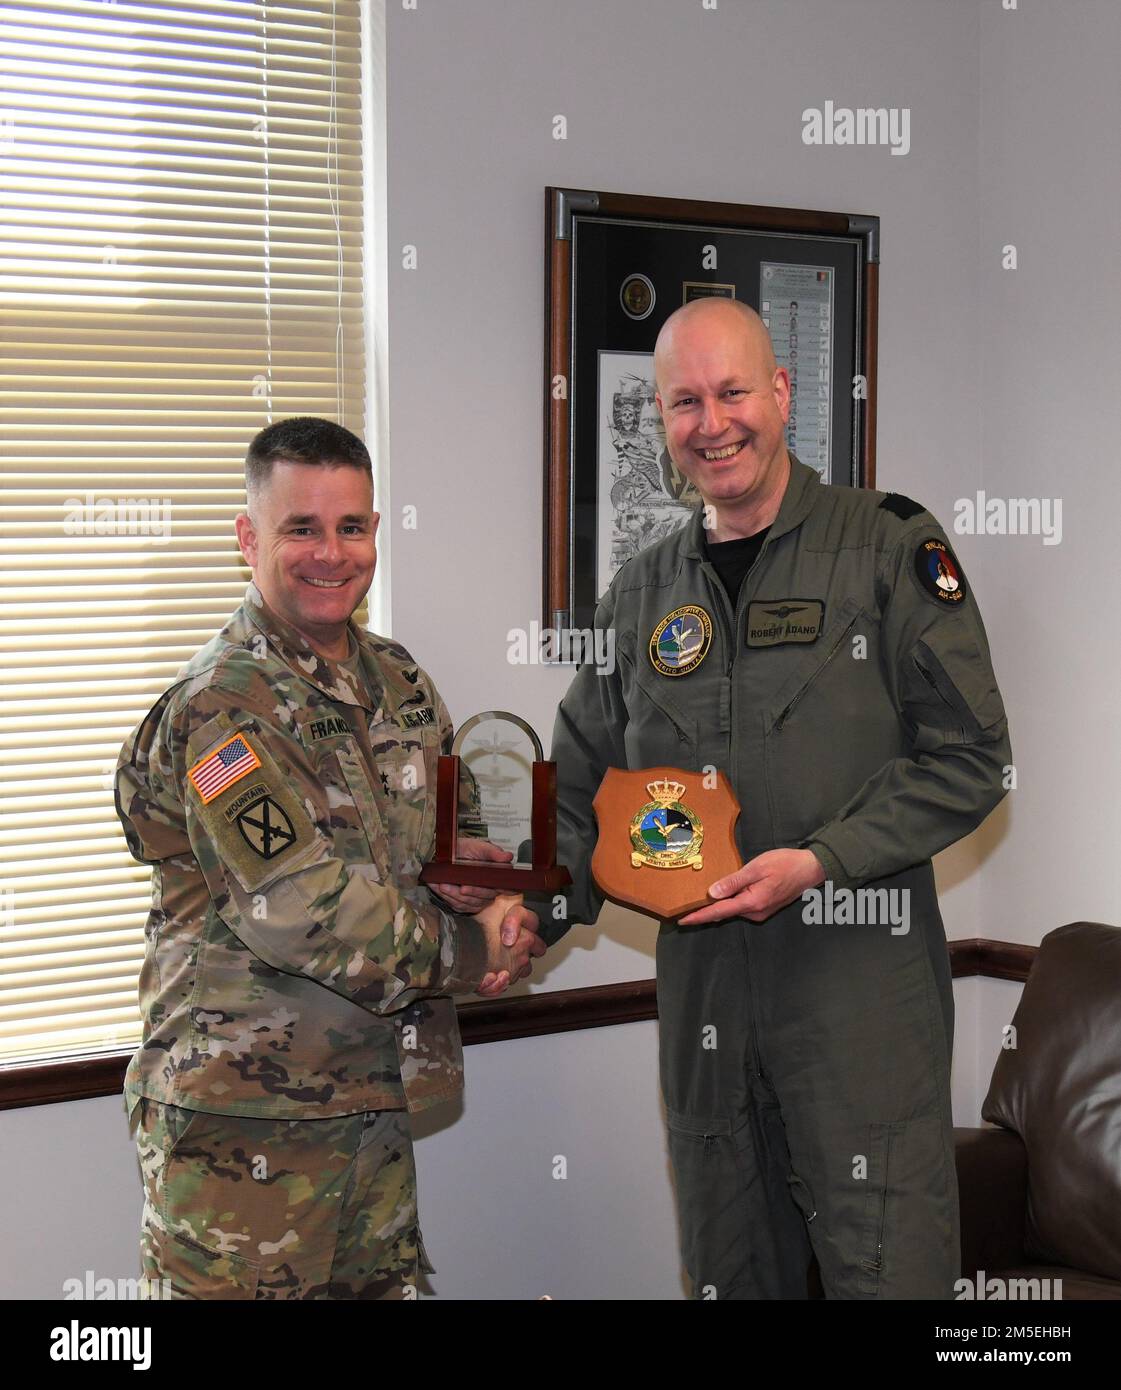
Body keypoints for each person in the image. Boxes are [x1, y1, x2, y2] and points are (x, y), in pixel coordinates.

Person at [545, 299, 1010, 1299]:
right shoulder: (638, 591)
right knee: (727, 1276)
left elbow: (971, 758)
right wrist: (518, 908)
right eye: (683, 401)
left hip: (858, 1015)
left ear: (783, 394)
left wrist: (820, 860)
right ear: (660, 417)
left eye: (731, 392)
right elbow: (577, 789)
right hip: (708, 1018)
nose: (711, 423)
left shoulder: (885, 546)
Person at [115, 417, 544, 1299]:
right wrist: (475, 951)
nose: (330, 553)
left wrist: (465, 875)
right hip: (244, 1129)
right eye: (299, 528)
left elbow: (409, 844)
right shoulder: (219, 710)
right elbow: (302, 912)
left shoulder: (397, 680)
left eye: (350, 526)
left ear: (375, 531)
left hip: (368, 1103)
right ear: (248, 539)